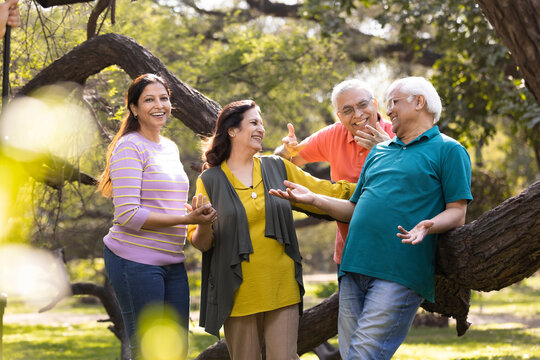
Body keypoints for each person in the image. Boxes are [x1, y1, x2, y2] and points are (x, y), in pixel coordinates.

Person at [270, 76, 473, 359]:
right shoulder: (380, 151)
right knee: (351, 351)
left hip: (397, 270)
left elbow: (457, 211)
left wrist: (429, 224)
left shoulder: (449, 150)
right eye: (388, 104)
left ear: (419, 102)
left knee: (362, 354)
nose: (388, 111)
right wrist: (314, 198)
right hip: (353, 265)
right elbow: (355, 208)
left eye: (393, 103)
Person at [187, 100, 355, 360]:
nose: (261, 129)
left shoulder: (277, 166)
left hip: (281, 284)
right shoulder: (210, 181)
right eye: (254, 122)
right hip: (238, 289)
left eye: (261, 123)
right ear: (232, 131)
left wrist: (375, 183)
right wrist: (204, 222)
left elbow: (326, 191)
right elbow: (202, 243)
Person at [97, 74, 217, 359]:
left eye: (163, 98)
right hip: (134, 261)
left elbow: (166, 203)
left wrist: (196, 213)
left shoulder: (170, 147)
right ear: (134, 108)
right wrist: (186, 220)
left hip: (172, 260)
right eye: (149, 99)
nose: (158, 104)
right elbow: (128, 215)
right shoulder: (130, 147)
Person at [274, 79, 394, 269]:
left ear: (375, 104)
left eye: (363, 105)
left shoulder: (397, 135)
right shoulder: (332, 135)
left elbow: (414, 185)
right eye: (348, 110)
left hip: (394, 250)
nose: (358, 114)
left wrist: (385, 151)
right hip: (350, 253)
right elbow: (285, 160)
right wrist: (285, 150)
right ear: (339, 116)